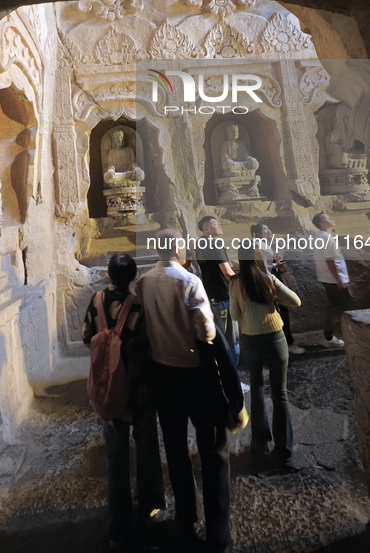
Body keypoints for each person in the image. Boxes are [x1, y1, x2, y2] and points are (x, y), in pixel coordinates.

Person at [135, 229, 233, 553]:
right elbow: (206, 330)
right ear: (178, 249)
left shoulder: (144, 281)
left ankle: (186, 518)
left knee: (175, 449)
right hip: (195, 375)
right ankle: (219, 530)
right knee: (213, 450)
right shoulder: (189, 281)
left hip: (163, 375)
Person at [82, 253, 165, 549]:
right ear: (133, 275)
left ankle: (119, 522)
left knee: (115, 455)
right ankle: (149, 506)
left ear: (109, 274)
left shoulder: (97, 300)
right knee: (146, 447)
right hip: (139, 386)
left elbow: (85, 337)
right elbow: (151, 341)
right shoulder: (138, 303)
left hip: (109, 387)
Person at [229, 246, 301, 473]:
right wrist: (275, 298)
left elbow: (234, 315)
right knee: (280, 394)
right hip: (274, 337)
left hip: (250, 339)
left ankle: (260, 446)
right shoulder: (267, 279)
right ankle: (284, 453)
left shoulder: (235, 283)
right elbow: (296, 301)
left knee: (258, 390)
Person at [196, 216, 250, 394]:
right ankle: (232, 383)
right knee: (231, 341)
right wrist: (242, 288)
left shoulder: (200, 245)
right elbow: (227, 272)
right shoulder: (214, 244)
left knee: (219, 341)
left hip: (212, 298)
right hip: (223, 298)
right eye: (214, 224)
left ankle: (220, 379)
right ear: (206, 230)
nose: (219, 225)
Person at [251, 223, 305, 355]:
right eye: (265, 230)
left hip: (271, 278)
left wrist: (276, 262)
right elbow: (261, 267)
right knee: (281, 310)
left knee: (281, 311)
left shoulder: (264, 244)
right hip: (268, 280)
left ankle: (284, 342)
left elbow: (268, 264)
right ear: (258, 233)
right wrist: (275, 264)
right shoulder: (259, 245)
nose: (269, 231)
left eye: (269, 229)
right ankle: (286, 343)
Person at [312, 212, 351, 348]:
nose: (330, 219)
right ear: (321, 223)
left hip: (327, 279)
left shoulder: (320, 236)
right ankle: (351, 336)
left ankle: (329, 337)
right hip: (334, 280)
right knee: (347, 308)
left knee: (333, 307)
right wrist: (340, 280)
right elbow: (330, 261)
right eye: (327, 218)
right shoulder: (327, 238)